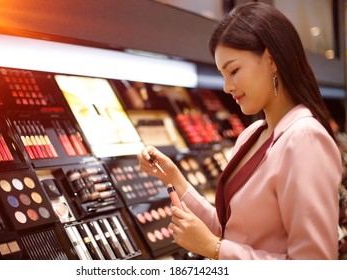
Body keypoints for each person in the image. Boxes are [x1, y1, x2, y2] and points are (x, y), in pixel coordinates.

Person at [137, 2, 342, 260]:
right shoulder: (253, 133)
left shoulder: (304, 138)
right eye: (223, 74)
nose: (226, 86)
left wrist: (215, 249)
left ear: (271, 60)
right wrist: (175, 179)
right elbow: (230, 232)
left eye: (233, 70)